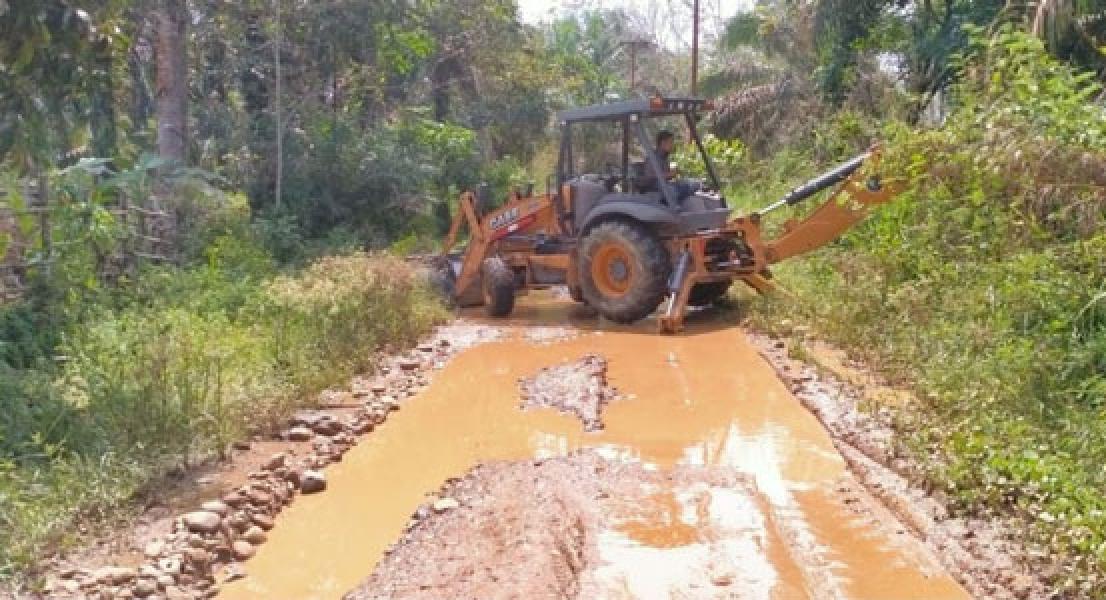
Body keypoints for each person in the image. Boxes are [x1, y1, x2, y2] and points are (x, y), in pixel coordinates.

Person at [641, 130, 701, 206]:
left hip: (667, 185)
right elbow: (649, 177)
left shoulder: (665, 157)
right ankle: (675, 209)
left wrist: (674, 173)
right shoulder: (652, 157)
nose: (672, 145)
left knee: (694, 183)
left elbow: (668, 177)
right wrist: (669, 174)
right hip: (654, 188)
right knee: (672, 191)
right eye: (671, 142)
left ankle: (679, 199)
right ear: (663, 143)